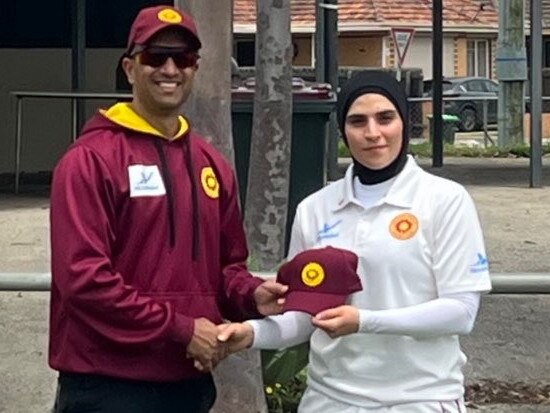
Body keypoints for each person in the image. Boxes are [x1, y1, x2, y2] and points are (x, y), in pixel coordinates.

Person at [48, 5, 286, 413]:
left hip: (188, 383)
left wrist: (252, 296)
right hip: (108, 387)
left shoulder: (212, 165)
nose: (171, 69)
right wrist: (180, 328)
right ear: (129, 68)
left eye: (185, 58)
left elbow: (227, 268)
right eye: (156, 57)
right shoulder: (90, 160)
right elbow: (83, 279)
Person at [217, 70, 492, 413]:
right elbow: (305, 317)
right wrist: (252, 334)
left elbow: (461, 313)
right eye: (358, 121)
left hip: (420, 399)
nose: (373, 133)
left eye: (385, 118)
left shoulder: (445, 200)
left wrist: (363, 321)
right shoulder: (315, 209)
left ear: (405, 122)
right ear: (343, 131)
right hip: (330, 400)